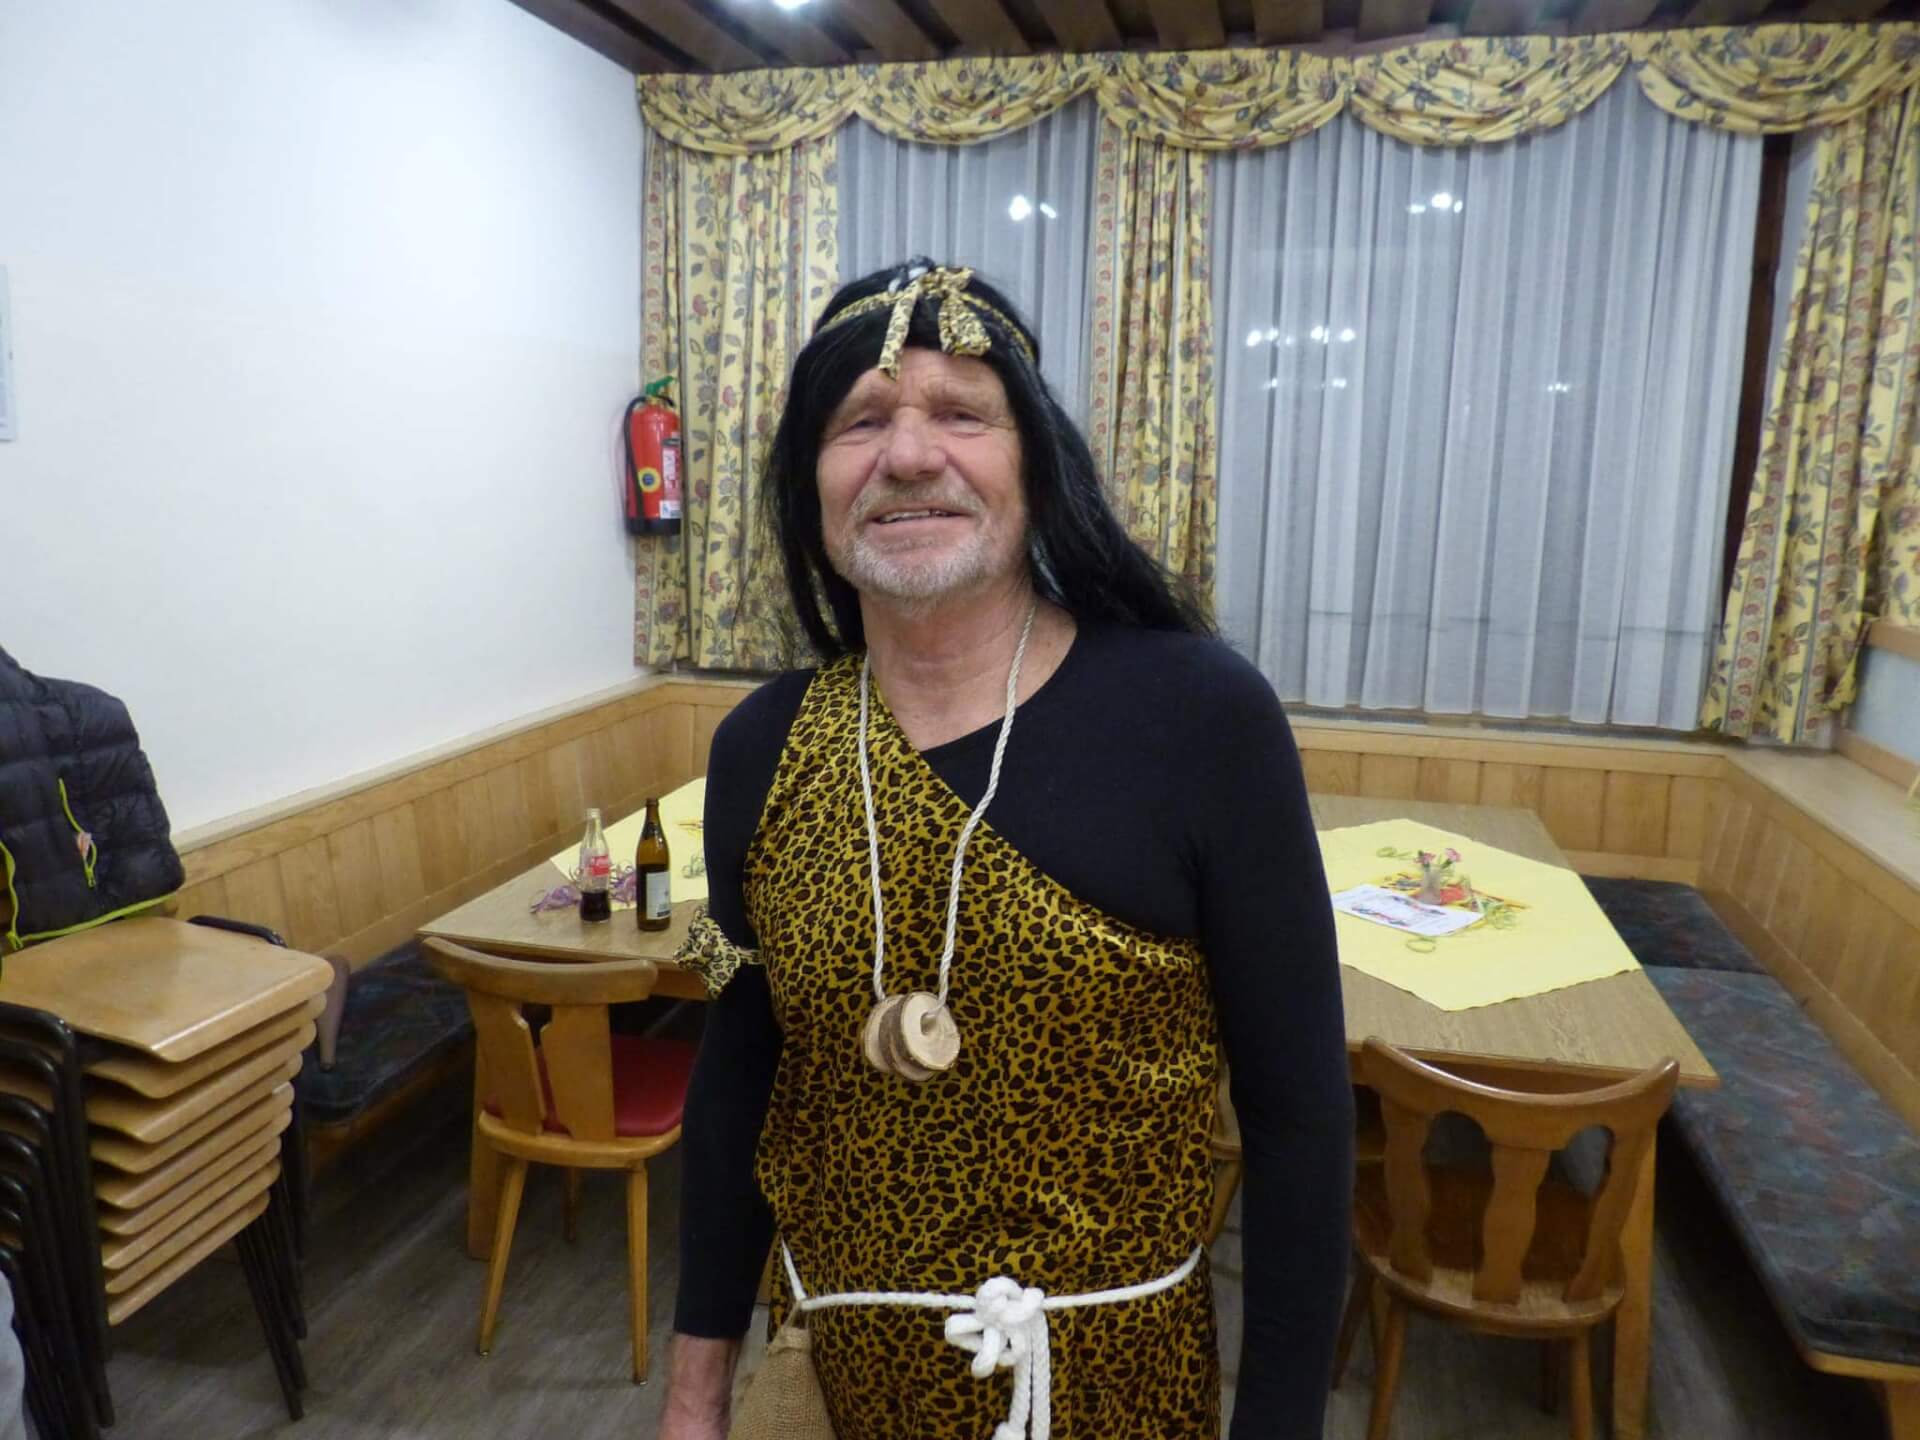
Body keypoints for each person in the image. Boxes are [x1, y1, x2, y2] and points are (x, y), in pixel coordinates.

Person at [661, 259, 1352, 1440]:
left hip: (1107, 1389)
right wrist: (694, 1394)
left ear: (1037, 463)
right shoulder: (759, 748)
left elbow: (1299, 1119)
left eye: (962, 413)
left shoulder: (1199, 717)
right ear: (808, 484)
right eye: (860, 422)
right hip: (834, 1378)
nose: (908, 454)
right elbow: (738, 1078)